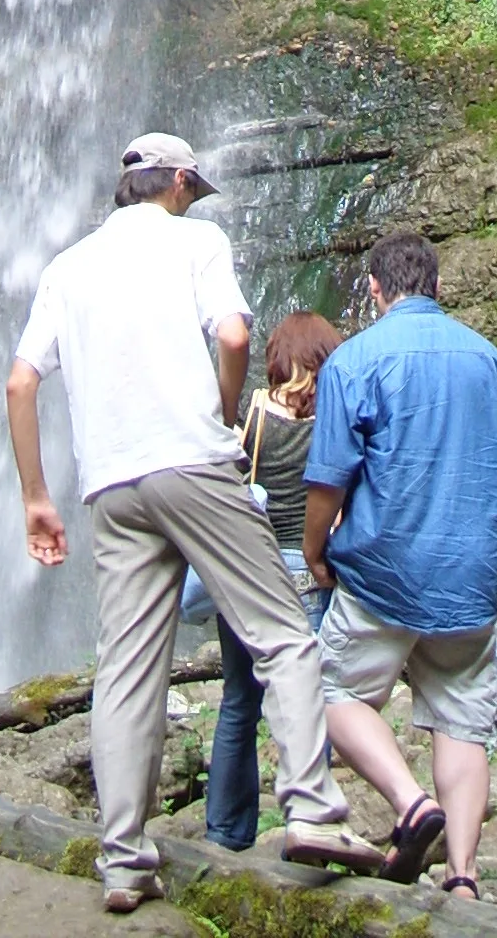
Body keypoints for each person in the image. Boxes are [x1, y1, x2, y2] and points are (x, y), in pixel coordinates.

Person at [5, 134, 380, 913]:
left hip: (111, 487)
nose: (193, 199)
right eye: (191, 188)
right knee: (282, 634)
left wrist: (36, 496)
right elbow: (236, 335)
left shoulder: (65, 267)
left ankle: (123, 859)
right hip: (192, 465)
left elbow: (20, 381)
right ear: (177, 182)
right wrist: (218, 412)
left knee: (128, 671)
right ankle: (310, 810)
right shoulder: (197, 240)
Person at [303, 231, 497, 901]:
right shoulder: (491, 362)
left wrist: (316, 549)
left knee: (331, 692)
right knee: (462, 720)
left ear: (375, 290)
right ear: (437, 285)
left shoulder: (355, 359)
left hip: (383, 571)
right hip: (469, 576)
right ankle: (462, 874)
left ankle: (409, 803)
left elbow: (328, 480)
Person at [203, 311, 340, 855]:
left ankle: (225, 831)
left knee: (240, 699)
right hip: (308, 577)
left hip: (246, 567)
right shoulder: (335, 422)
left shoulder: (252, 413)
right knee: (307, 697)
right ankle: (310, 821)